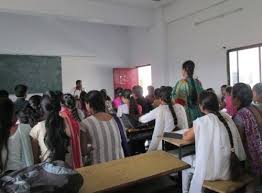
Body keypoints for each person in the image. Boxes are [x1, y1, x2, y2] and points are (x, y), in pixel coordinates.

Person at [182, 91, 246, 193]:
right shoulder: (226, 117)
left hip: (216, 172)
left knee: (184, 160)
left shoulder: (202, 121)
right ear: (217, 104)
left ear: (201, 107)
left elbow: (186, 137)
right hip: (233, 168)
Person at [80, 90, 124, 165]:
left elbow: (83, 152)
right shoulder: (116, 119)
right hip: (119, 162)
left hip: (100, 167)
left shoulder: (85, 123)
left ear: (89, 104)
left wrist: (92, 147)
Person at [232, 83, 262, 191]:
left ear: (237, 98)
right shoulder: (256, 108)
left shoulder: (240, 116)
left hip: (252, 162)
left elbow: (237, 143)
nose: (230, 99)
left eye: (232, 96)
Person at [30, 91, 69, 163]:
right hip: (66, 167)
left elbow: (35, 158)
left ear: (41, 109)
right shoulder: (66, 122)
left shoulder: (37, 128)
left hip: (47, 168)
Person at [172, 61, 203, 126]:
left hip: (187, 116)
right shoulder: (198, 82)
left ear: (184, 70)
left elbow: (178, 101)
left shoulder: (181, 83)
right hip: (198, 114)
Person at [0, 98, 26, 172]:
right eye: (15, 113)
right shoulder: (22, 128)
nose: (17, 116)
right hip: (18, 176)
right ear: (9, 114)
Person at [60, 94, 83, 169]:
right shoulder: (79, 113)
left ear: (62, 103)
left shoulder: (61, 115)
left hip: (68, 150)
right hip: (79, 148)